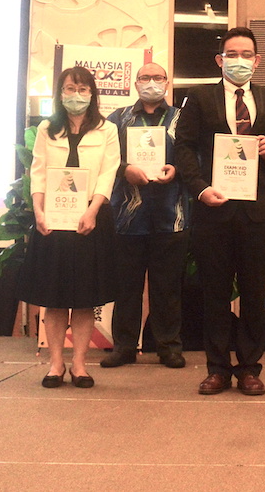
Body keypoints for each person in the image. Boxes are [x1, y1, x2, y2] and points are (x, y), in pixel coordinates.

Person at [174, 26, 265, 396]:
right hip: (214, 209)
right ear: (220, 60)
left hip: (257, 212)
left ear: (257, 61)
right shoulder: (199, 97)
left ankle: (249, 368)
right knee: (214, 292)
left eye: (246, 55)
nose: (239, 61)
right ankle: (216, 368)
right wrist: (200, 189)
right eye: (232, 55)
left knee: (254, 293)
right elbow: (183, 148)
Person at [17, 66, 120, 389]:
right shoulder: (48, 128)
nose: (76, 96)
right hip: (53, 221)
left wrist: (92, 210)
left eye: (82, 89)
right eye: (70, 89)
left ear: (92, 94)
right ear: (60, 94)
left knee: (85, 297)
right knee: (56, 296)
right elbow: (38, 172)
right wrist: (38, 210)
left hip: (91, 220)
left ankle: (79, 364)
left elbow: (109, 172)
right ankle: (56, 363)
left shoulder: (107, 130)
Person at [101, 63, 190, 370]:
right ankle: (124, 346)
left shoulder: (182, 118)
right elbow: (106, 158)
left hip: (171, 214)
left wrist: (176, 169)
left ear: (168, 81)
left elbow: (194, 157)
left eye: (158, 77)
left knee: (167, 287)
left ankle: (168, 346)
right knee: (127, 285)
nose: (152, 82)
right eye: (145, 77)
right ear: (135, 82)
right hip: (128, 216)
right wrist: (126, 170)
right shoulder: (117, 119)